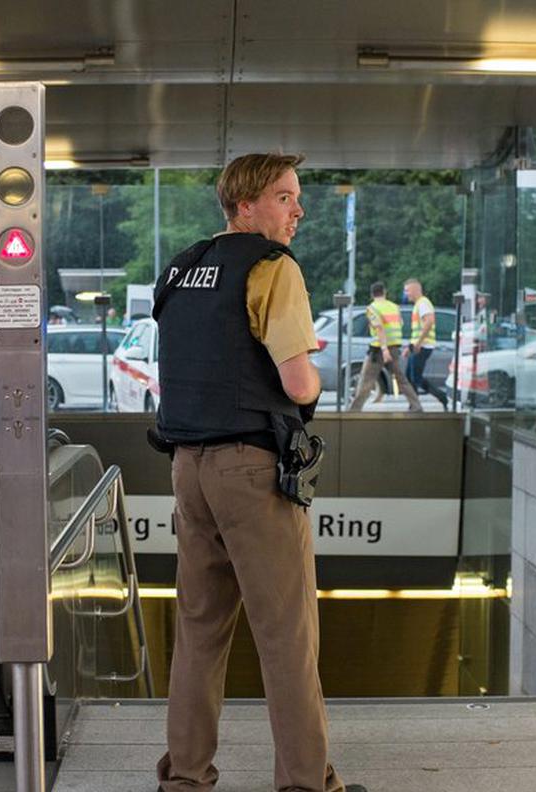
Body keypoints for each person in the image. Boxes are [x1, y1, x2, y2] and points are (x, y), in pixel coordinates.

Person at [149, 153, 365, 792]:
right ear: (246, 205)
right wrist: (317, 374)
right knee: (286, 637)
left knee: (198, 631)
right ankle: (305, 782)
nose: (297, 209)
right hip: (251, 471)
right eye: (284, 196)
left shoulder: (182, 267)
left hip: (188, 468)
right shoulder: (271, 268)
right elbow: (298, 383)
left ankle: (185, 777)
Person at [349, 282, 422, 412]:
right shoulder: (395, 307)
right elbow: (400, 324)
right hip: (394, 348)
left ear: (372, 294)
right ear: (385, 292)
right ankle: (416, 406)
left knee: (366, 380)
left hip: (378, 351)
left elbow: (379, 328)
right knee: (401, 379)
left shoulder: (372, 308)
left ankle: (354, 411)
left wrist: (384, 349)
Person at [401, 278, 449, 410]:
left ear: (416, 290)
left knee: (414, 378)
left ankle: (439, 398)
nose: (406, 294)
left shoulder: (423, 303)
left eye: (407, 290)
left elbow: (429, 322)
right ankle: (415, 405)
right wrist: (410, 347)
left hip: (423, 346)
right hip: (419, 346)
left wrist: (417, 344)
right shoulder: (419, 304)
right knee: (410, 377)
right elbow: (418, 329)